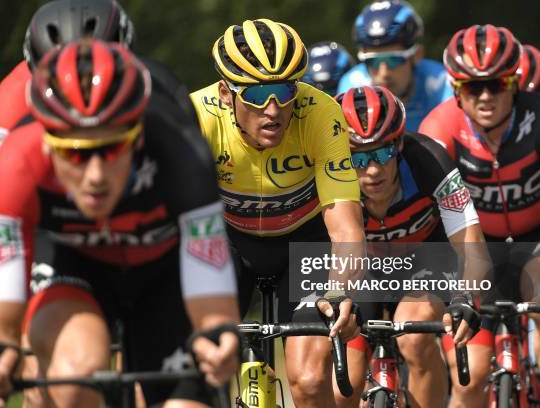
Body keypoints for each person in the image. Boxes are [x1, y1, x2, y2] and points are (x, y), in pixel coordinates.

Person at [0, 39, 240, 408]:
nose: (95, 175)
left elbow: (214, 317)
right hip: (74, 263)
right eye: (76, 153)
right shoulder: (14, 165)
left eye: (110, 149)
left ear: (138, 138)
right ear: (47, 143)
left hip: (164, 272)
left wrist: (219, 339)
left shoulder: (182, 155)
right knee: (76, 376)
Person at [190, 18, 366, 407]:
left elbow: (346, 229)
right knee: (195, 369)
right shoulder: (196, 118)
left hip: (303, 244)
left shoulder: (321, 113)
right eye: (257, 95)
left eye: (285, 91)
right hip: (227, 243)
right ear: (224, 92)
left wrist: (340, 291)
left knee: (307, 378)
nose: (274, 109)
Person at [333, 85, 487, 408]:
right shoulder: (329, 176)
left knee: (413, 336)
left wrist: (466, 295)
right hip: (366, 273)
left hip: (427, 264)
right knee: (341, 392)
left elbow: (473, 245)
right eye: (358, 158)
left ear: (399, 143)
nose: (372, 170)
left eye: (383, 153)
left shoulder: (429, 159)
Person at [419, 24, 540, 407]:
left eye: (497, 84)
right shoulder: (440, 129)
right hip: (473, 251)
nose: (486, 95)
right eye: (473, 86)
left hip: (534, 243)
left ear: (515, 84)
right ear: (456, 88)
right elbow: (433, 216)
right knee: (469, 381)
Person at [337, 0, 452, 131]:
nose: (384, 73)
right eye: (372, 61)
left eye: (394, 59)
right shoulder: (352, 86)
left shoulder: (441, 82)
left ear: (417, 55)